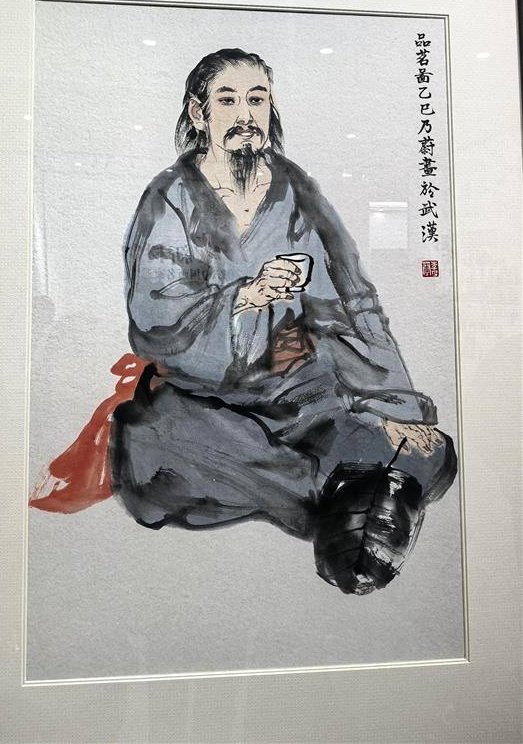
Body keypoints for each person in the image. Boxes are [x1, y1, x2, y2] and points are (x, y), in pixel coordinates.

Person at [110, 48, 456, 595]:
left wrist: (393, 404)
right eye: (228, 100)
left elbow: (354, 299)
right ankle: (351, 505)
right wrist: (245, 297)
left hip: (299, 376)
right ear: (199, 113)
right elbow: (154, 321)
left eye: (257, 99)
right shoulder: (171, 197)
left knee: (428, 447)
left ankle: (354, 491)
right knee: (167, 452)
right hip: (207, 393)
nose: (245, 114)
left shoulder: (295, 188)